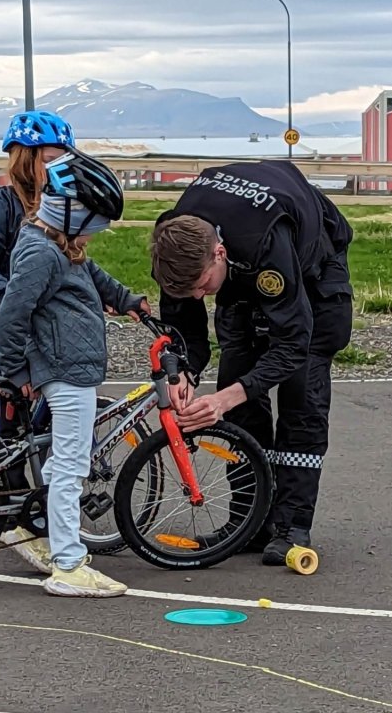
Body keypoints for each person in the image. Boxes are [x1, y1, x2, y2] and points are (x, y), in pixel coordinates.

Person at [150, 159, 354, 566]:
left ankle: (291, 526)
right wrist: (183, 370)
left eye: (203, 286)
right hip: (242, 271)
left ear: (219, 253)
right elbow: (182, 319)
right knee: (240, 396)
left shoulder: (265, 241)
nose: (200, 297)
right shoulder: (175, 243)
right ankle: (250, 520)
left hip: (312, 276)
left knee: (301, 399)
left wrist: (223, 399)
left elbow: (293, 343)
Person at [0, 148, 150, 597]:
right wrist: (16, 370)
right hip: (65, 373)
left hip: (73, 367)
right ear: (73, 213)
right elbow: (11, 314)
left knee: (62, 464)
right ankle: (68, 564)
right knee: (70, 467)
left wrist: (125, 299)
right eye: (96, 221)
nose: (98, 231)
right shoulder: (41, 254)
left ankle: (52, 542)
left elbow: (91, 273)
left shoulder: (58, 244)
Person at [0, 109, 77, 569]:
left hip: (46, 334)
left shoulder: (60, 203)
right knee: (11, 430)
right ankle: (15, 519)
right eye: (50, 158)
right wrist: (14, 299)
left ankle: (49, 507)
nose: (58, 166)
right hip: (2, 332)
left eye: (63, 158)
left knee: (48, 425)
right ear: (25, 158)